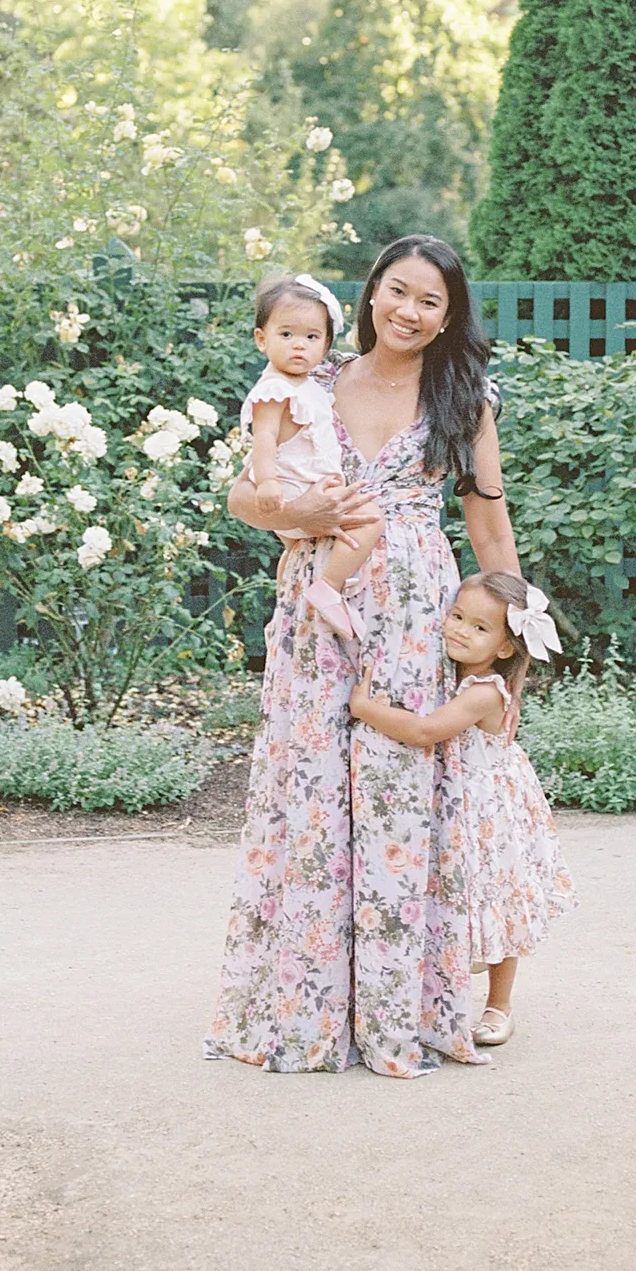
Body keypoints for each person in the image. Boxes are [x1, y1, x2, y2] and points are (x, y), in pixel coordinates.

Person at [204, 234, 521, 1078]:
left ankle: (397, 1007)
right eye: (398, 291)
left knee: (398, 790)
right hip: (318, 602)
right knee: (307, 791)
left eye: (430, 301)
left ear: (449, 316)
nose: (409, 312)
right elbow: (245, 493)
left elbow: (489, 524)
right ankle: (307, 1007)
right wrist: (299, 513)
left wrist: (510, 644)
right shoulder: (310, 377)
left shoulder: (463, 394)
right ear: (372, 289)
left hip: (419, 610)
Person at [350, 570, 577, 1048]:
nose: (458, 630)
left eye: (478, 628)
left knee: (496, 900)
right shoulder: (448, 672)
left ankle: (500, 1004)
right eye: (456, 617)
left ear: (505, 648)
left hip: (486, 811)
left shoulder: (484, 692)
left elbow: (426, 731)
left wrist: (363, 707)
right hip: (457, 804)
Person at [240, 271, 384, 642]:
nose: (298, 346)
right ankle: (329, 588)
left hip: (298, 490)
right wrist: (268, 482)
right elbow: (265, 437)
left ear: (325, 344)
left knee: (293, 551)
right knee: (370, 518)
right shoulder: (273, 388)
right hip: (289, 489)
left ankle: (286, 601)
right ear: (261, 339)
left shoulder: (305, 385)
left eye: (311, 337)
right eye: (286, 335)